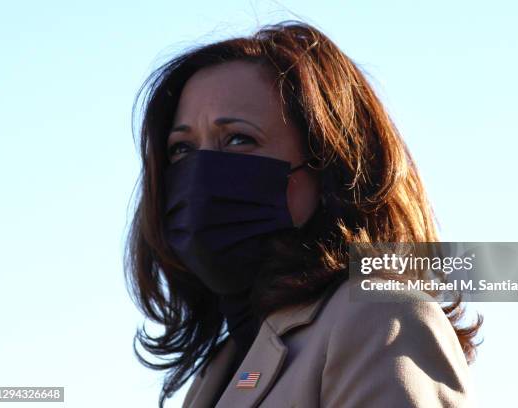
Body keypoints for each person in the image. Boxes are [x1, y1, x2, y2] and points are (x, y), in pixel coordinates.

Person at [125, 20, 482, 408]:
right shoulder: (224, 365)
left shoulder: (381, 318)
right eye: (182, 148)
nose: (200, 175)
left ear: (331, 167)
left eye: (239, 139)